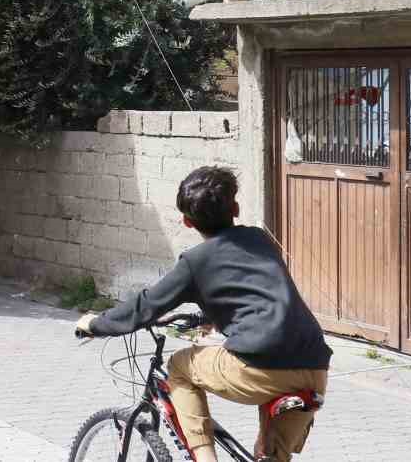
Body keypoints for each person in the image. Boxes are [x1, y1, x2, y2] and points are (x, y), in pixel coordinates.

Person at [74, 166, 331, 462]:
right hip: (315, 367)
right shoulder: (259, 239)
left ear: (186, 221)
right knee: (269, 456)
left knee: (179, 366)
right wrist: (214, 317)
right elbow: (254, 291)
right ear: (235, 208)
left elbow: (146, 305)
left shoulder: (195, 262)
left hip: (260, 367)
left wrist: (95, 323)